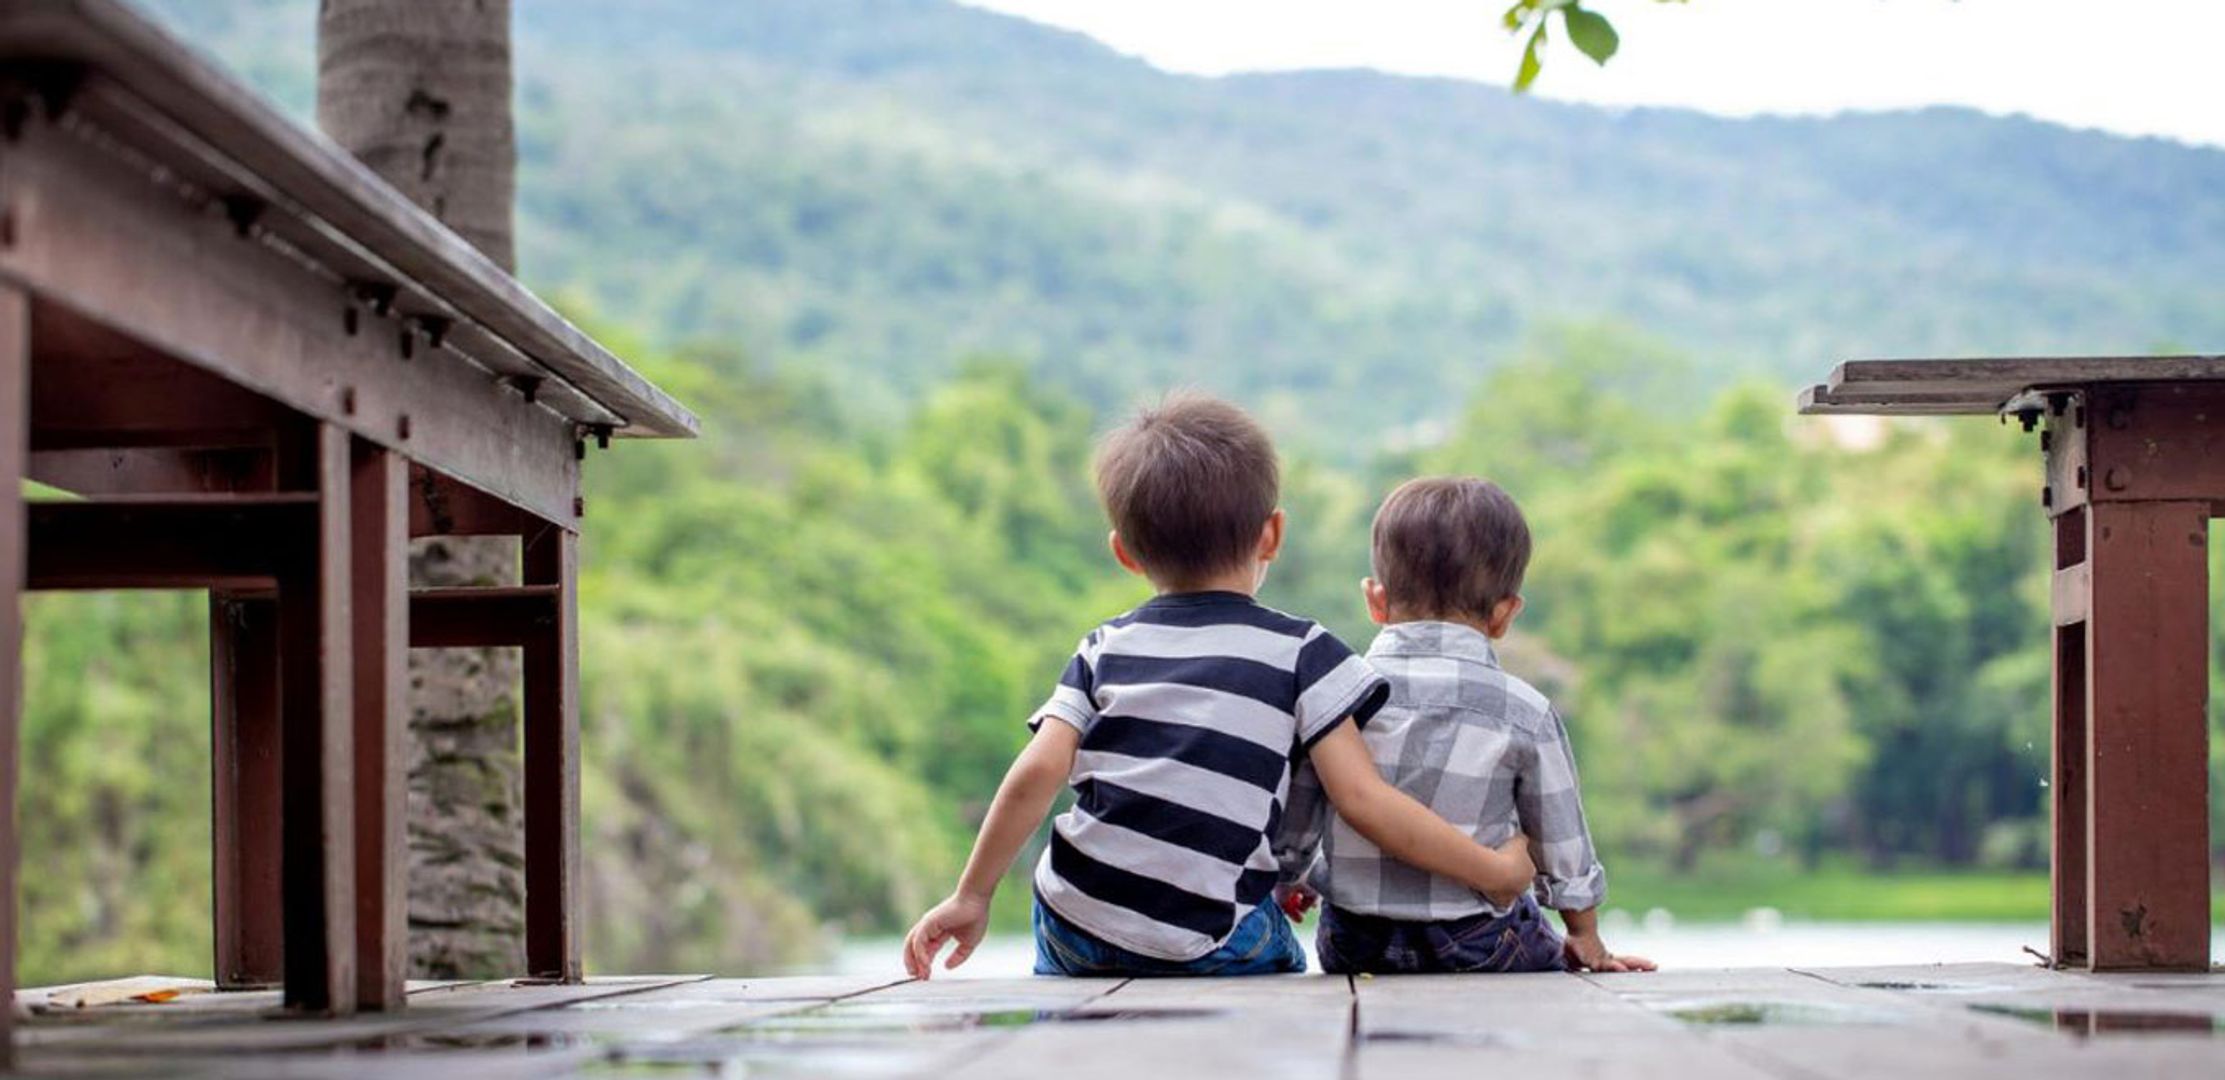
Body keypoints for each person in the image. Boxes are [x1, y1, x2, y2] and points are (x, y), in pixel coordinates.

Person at [902, 395, 1536, 978]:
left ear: (1124, 552)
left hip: (1072, 918)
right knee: (1286, 964)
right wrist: (1495, 870)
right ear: (1273, 535)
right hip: (1204, 938)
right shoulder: (1302, 652)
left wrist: (972, 896)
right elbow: (1363, 801)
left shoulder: (1102, 648)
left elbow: (1033, 777)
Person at [1275, 476, 1655, 974]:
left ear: (1375, 600)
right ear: (1504, 614)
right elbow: (1561, 840)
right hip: (1475, 941)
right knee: (1528, 929)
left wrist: (1292, 877)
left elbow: (1299, 815)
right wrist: (1585, 937)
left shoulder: (1336, 694)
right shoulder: (1524, 711)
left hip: (1353, 940)